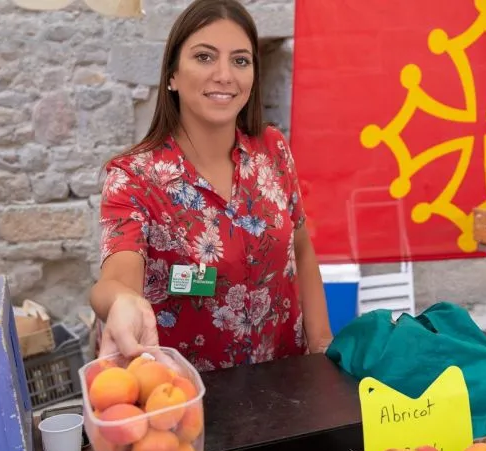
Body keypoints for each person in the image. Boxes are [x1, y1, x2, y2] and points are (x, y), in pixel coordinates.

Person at [90, 0, 332, 371]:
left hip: (287, 384)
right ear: (172, 75)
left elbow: (301, 249)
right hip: (187, 393)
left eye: (240, 60)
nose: (224, 75)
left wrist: (322, 350)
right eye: (204, 57)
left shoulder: (272, 150)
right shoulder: (134, 178)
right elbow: (117, 279)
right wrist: (121, 301)